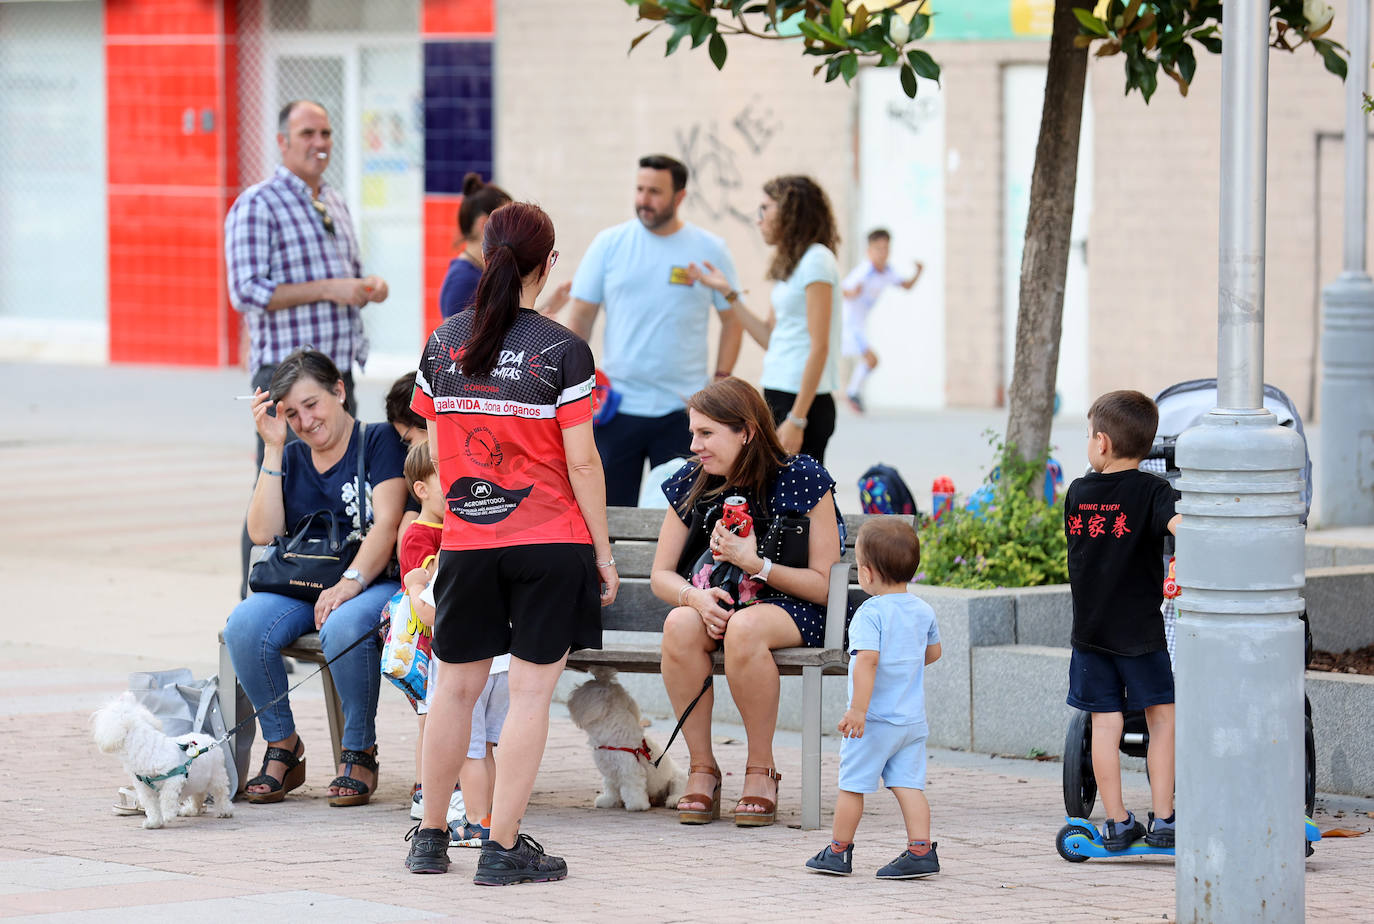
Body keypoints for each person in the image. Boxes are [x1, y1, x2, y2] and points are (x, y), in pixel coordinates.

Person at [403, 202, 619, 884]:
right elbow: (583, 463)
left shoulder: (443, 343)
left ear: (485, 253)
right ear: (547, 264)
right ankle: (500, 850)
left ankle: (430, 839)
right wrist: (603, 554)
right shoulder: (562, 350)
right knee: (527, 698)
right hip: (550, 543)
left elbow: (439, 455)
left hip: (468, 542)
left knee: (452, 693)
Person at [651, 377, 844, 828]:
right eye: (693, 433)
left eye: (706, 433)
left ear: (747, 432)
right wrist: (696, 599)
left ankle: (761, 769)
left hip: (795, 606)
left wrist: (755, 564)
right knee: (679, 624)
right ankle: (703, 768)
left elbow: (824, 586)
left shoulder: (802, 478)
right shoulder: (692, 481)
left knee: (745, 627)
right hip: (720, 604)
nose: (694, 445)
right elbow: (661, 575)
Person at [222, 348, 406, 807]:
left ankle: (359, 749)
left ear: (339, 391)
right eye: (291, 413)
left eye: (312, 405)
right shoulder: (291, 454)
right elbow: (262, 532)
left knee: (343, 625)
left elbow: (387, 523)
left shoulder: (379, 440)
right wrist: (273, 447)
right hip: (303, 584)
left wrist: (350, 583)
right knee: (243, 624)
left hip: (372, 579)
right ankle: (284, 744)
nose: (305, 422)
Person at [228, 99, 391, 598]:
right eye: (307, 134)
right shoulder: (258, 204)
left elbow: (345, 281)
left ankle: (327, 590)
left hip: (336, 376)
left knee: (341, 492)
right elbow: (245, 290)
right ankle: (261, 599)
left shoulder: (335, 201)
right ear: (282, 142)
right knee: (273, 486)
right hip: (287, 381)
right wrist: (329, 289)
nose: (319, 143)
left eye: (325, 133)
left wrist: (366, 288)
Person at [563, 154, 744, 506]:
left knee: (684, 515)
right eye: (640, 189)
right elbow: (581, 318)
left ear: (680, 196)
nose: (644, 199)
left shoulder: (709, 249)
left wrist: (720, 381)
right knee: (610, 512)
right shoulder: (609, 244)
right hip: (618, 408)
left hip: (685, 412)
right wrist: (576, 385)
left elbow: (732, 321)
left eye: (655, 192)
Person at [1064, 390, 1181, 851]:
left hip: (1090, 635)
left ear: (1102, 443)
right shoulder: (1154, 491)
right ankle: (1165, 819)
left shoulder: (1078, 493)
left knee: (1105, 725)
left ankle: (1116, 821)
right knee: (1162, 720)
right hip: (1141, 635)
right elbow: (1178, 527)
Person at [804, 518, 942, 879]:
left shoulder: (869, 613)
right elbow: (933, 652)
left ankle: (838, 852)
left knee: (852, 785)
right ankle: (921, 850)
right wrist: (904, 666)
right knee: (909, 785)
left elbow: (867, 660)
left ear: (866, 573)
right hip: (911, 722)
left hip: (874, 722)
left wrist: (857, 710)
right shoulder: (922, 610)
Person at [689, 175, 843, 463]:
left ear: (790, 211)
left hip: (803, 404)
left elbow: (819, 347)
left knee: (801, 489)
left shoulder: (817, 260)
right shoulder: (793, 264)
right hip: (779, 394)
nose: (758, 218)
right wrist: (728, 293)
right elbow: (770, 338)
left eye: (765, 208)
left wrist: (797, 419)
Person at [395, 440, 463, 827]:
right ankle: (425, 789)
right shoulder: (419, 535)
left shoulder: (454, 525)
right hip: (426, 643)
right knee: (430, 715)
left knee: (448, 713)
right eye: (447, 480)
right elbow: (428, 583)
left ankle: (452, 785)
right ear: (421, 489)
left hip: (450, 637)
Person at [840, 228, 923, 414]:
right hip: (849, 324)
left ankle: (852, 392)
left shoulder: (887, 271)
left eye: (886, 248)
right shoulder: (864, 271)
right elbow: (841, 289)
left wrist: (918, 272)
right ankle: (851, 393)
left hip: (859, 323)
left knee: (871, 361)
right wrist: (852, 293)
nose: (882, 253)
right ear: (869, 251)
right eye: (878, 248)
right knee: (871, 359)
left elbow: (906, 285)